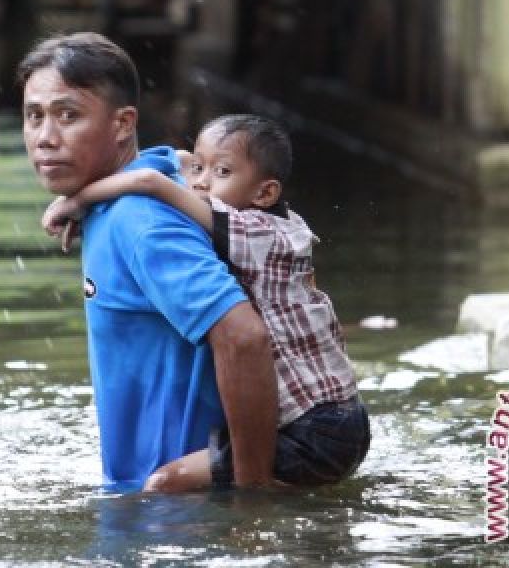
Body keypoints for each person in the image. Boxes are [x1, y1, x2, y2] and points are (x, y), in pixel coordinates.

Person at [43, 114, 369, 490]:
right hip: (341, 418)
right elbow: (180, 159)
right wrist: (200, 163)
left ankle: (251, 517)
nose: (199, 182)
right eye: (199, 168)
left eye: (222, 172)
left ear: (265, 193)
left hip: (314, 432)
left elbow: (152, 182)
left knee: (165, 483)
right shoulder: (280, 223)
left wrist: (78, 199)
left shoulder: (253, 232)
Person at [18, 31, 278, 491]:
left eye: (68, 116)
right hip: (151, 502)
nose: (45, 138)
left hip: (179, 518)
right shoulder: (142, 186)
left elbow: (244, 338)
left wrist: (251, 497)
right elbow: (175, 160)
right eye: (34, 117)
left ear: (123, 124)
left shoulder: (139, 222)